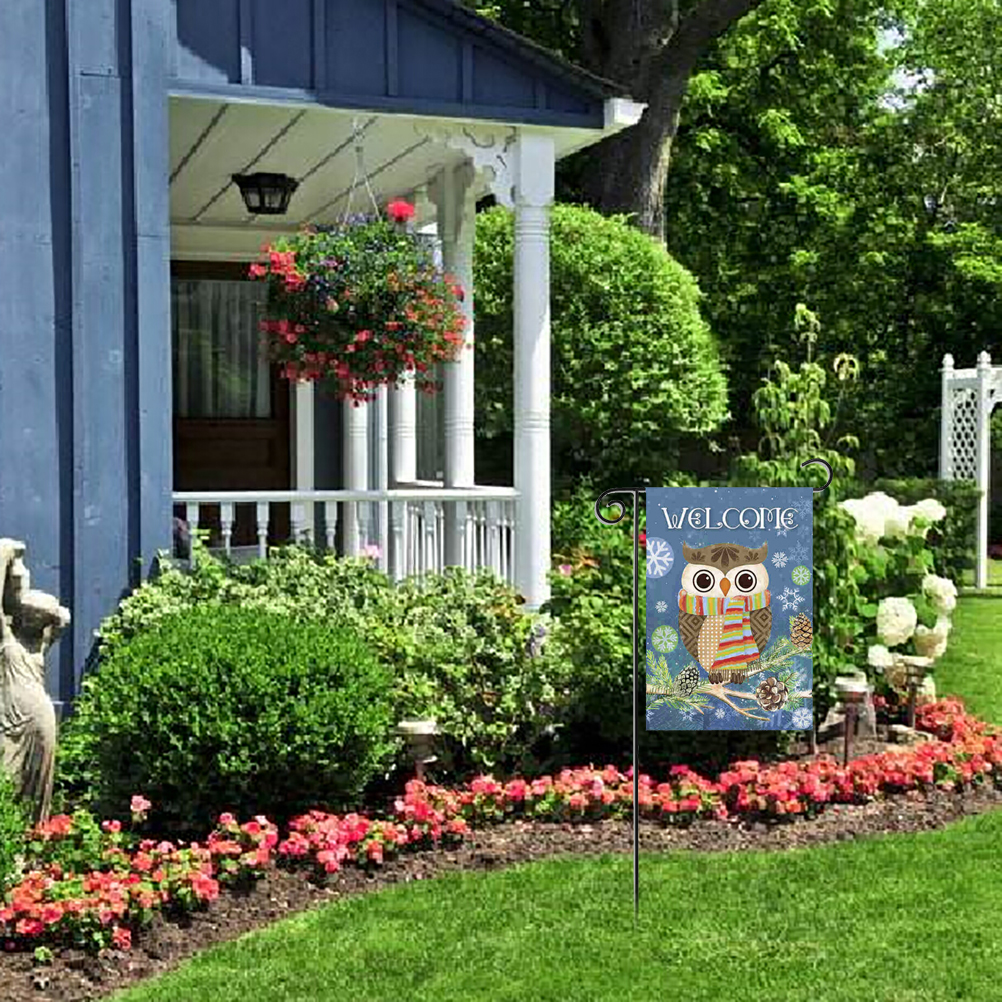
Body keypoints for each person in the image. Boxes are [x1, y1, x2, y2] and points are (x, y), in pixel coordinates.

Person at [0, 539, 70, 823]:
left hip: (40, 718)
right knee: (7, 778)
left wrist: (10, 559)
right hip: (11, 719)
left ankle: (33, 840)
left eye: (38, 618)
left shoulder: (40, 643)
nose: (32, 621)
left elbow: (62, 619)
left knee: (37, 785)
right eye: (29, 615)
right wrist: (6, 558)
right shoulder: (8, 638)